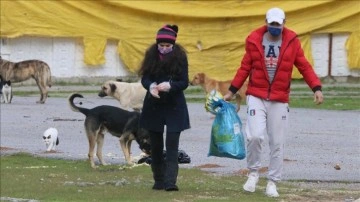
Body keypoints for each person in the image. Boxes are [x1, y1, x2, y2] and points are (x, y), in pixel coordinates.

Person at [223, 7, 324, 197]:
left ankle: (272, 182)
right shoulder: (254, 40)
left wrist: (316, 88)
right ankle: (253, 173)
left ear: (284, 23)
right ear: (266, 22)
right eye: (272, 24)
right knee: (255, 136)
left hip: (279, 98)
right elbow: (245, 67)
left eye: (278, 24)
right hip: (256, 95)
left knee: (277, 142)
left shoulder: (292, 41)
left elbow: (304, 66)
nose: (275, 27)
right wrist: (232, 91)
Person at [138, 24, 190, 191]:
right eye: (162, 45)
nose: (164, 48)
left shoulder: (181, 57)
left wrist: (170, 85)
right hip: (154, 104)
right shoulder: (151, 55)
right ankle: (158, 179)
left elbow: (184, 82)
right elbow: (144, 78)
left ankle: (170, 182)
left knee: (172, 145)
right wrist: (151, 86)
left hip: (174, 105)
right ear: (157, 44)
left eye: (168, 46)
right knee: (156, 145)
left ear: (173, 45)